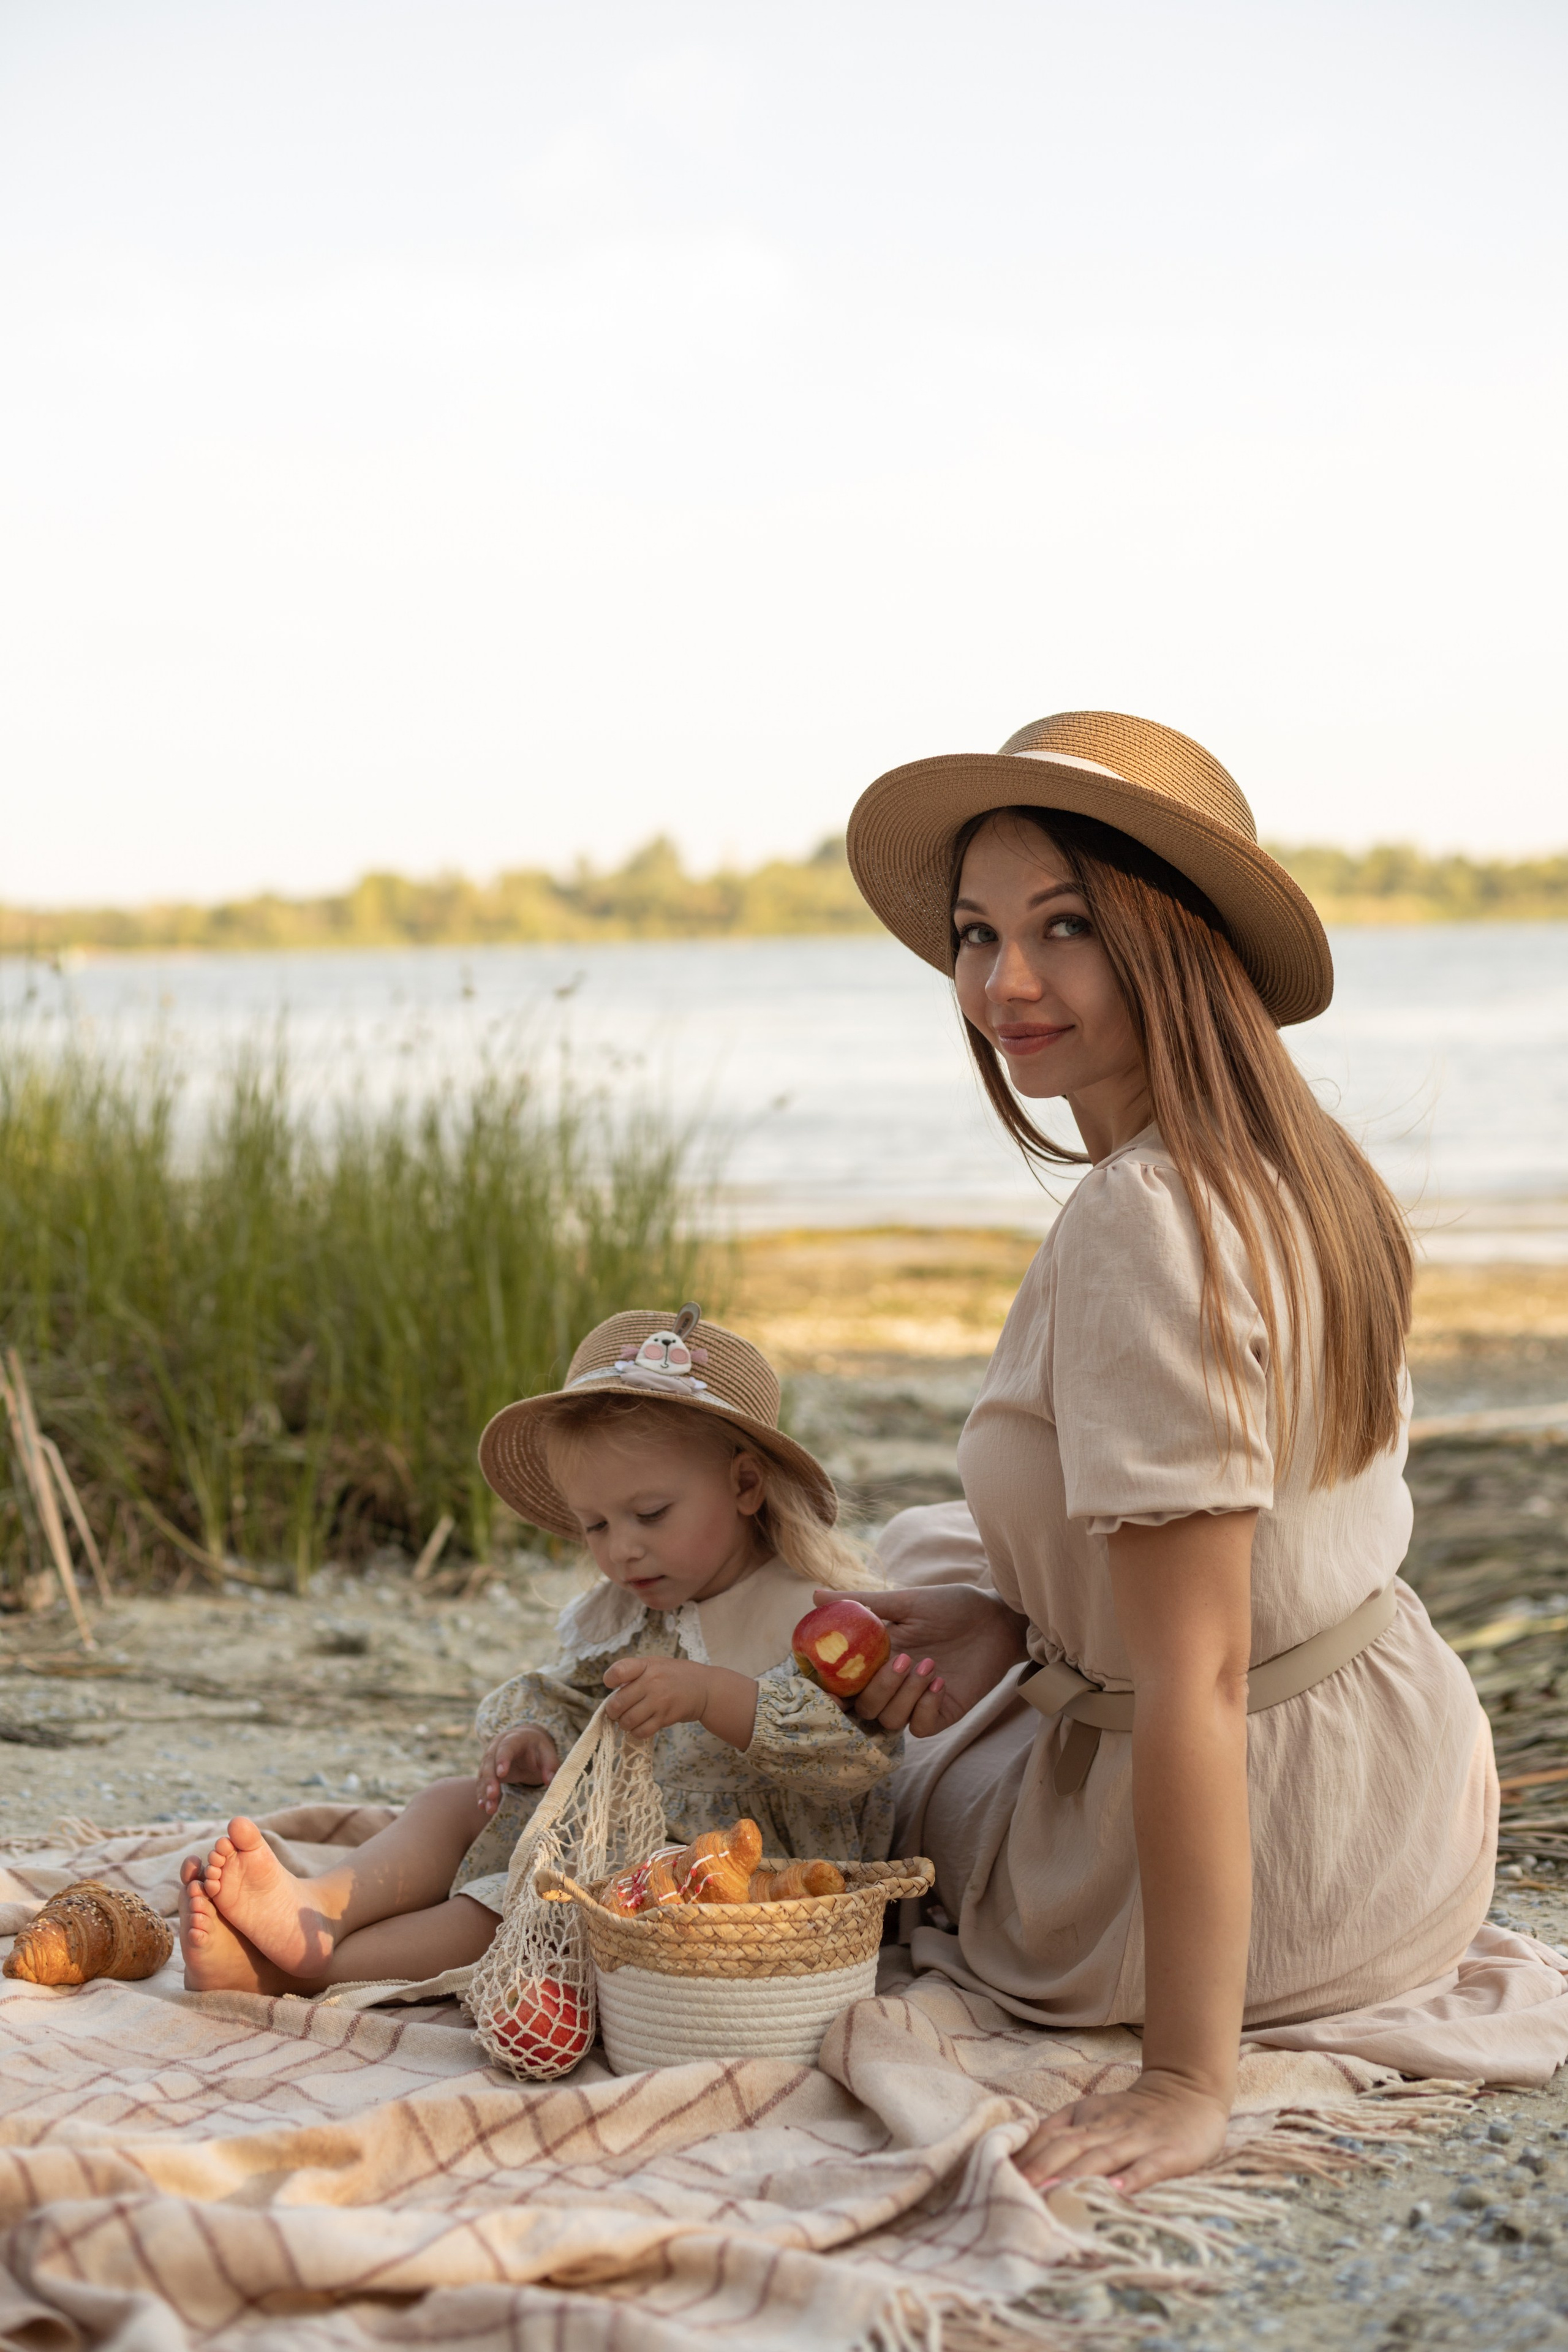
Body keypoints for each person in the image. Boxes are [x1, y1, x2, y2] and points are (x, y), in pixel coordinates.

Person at [826, 709, 1494, 2196]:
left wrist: (1187, 2077)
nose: (1005, 982)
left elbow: (1191, 1674)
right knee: (939, 1554)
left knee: (883, 1684)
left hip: (1271, 1873)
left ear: (1173, 940)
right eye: (975, 932)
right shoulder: (1304, 1164)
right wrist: (1011, 1616)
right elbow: (1269, 1540)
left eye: (1064, 927)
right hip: (1410, 1802)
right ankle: (997, 1620)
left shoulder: (1138, 1222)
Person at [178, 1307, 900, 1994]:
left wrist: (716, 1697)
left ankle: (301, 1972)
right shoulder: (641, 1604)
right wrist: (533, 1737)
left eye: (649, 1515)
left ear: (745, 1484)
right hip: (617, 1822)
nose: (621, 1550)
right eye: (594, 1526)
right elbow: (573, 1698)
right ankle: (318, 1909)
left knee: (529, 1905)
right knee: (453, 1804)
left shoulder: (808, 1613)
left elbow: (854, 1761)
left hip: (725, 1876)